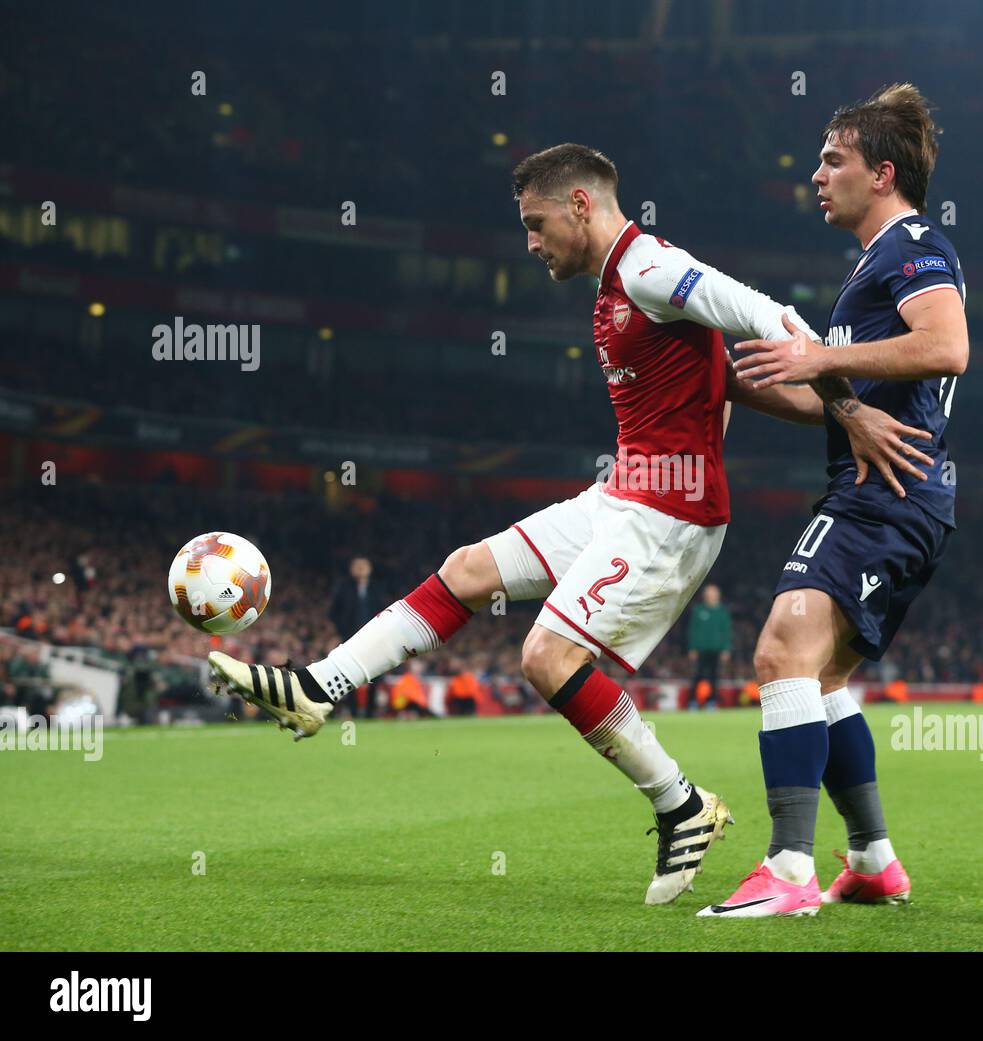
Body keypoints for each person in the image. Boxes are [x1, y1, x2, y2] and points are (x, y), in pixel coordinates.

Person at [208, 143, 895, 905]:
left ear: (579, 205)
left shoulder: (649, 268)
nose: (530, 244)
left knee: (544, 655)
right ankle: (315, 687)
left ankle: (681, 803)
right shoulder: (612, 284)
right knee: (469, 567)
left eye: (536, 225)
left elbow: (767, 315)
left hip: (671, 514)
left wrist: (848, 405)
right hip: (623, 495)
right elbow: (713, 378)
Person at [702, 85, 969, 918]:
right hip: (890, 491)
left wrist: (817, 356)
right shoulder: (869, 264)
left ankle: (787, 869)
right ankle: (874, 859)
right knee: (818, 678)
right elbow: (835, 398)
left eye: (833, 160)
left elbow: (947, 346)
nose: (817, 175)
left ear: (882, 173)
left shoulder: (914, 242)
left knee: (783, 647)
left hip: (884, 495)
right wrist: (745, 386)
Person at [327, 557, 388, 718]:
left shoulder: (376, 589)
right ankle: (353, 710)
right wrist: (343, 631)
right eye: (357, 566)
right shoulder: (344, 588)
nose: (361, 569)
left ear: (370, 569)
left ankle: (370, 711)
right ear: (351, 569)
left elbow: (385, 610)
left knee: (376, 673)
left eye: (364, 566)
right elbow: (333, 612)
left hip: (373, 637)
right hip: (350, 638)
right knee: (350, 674)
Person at [686, 584, 731, 709]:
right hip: (701, 650)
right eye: (709, 593)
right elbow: (693, 631)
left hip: (716, 650)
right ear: (705, 595)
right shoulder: (698, 610)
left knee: (714, 677)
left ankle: (711, 701)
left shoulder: (722, 612)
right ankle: (693, 701)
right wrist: (692, 648)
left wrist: (726, 649)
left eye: (714, 593)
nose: (711, 595)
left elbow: (726, 631)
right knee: (697, 676)